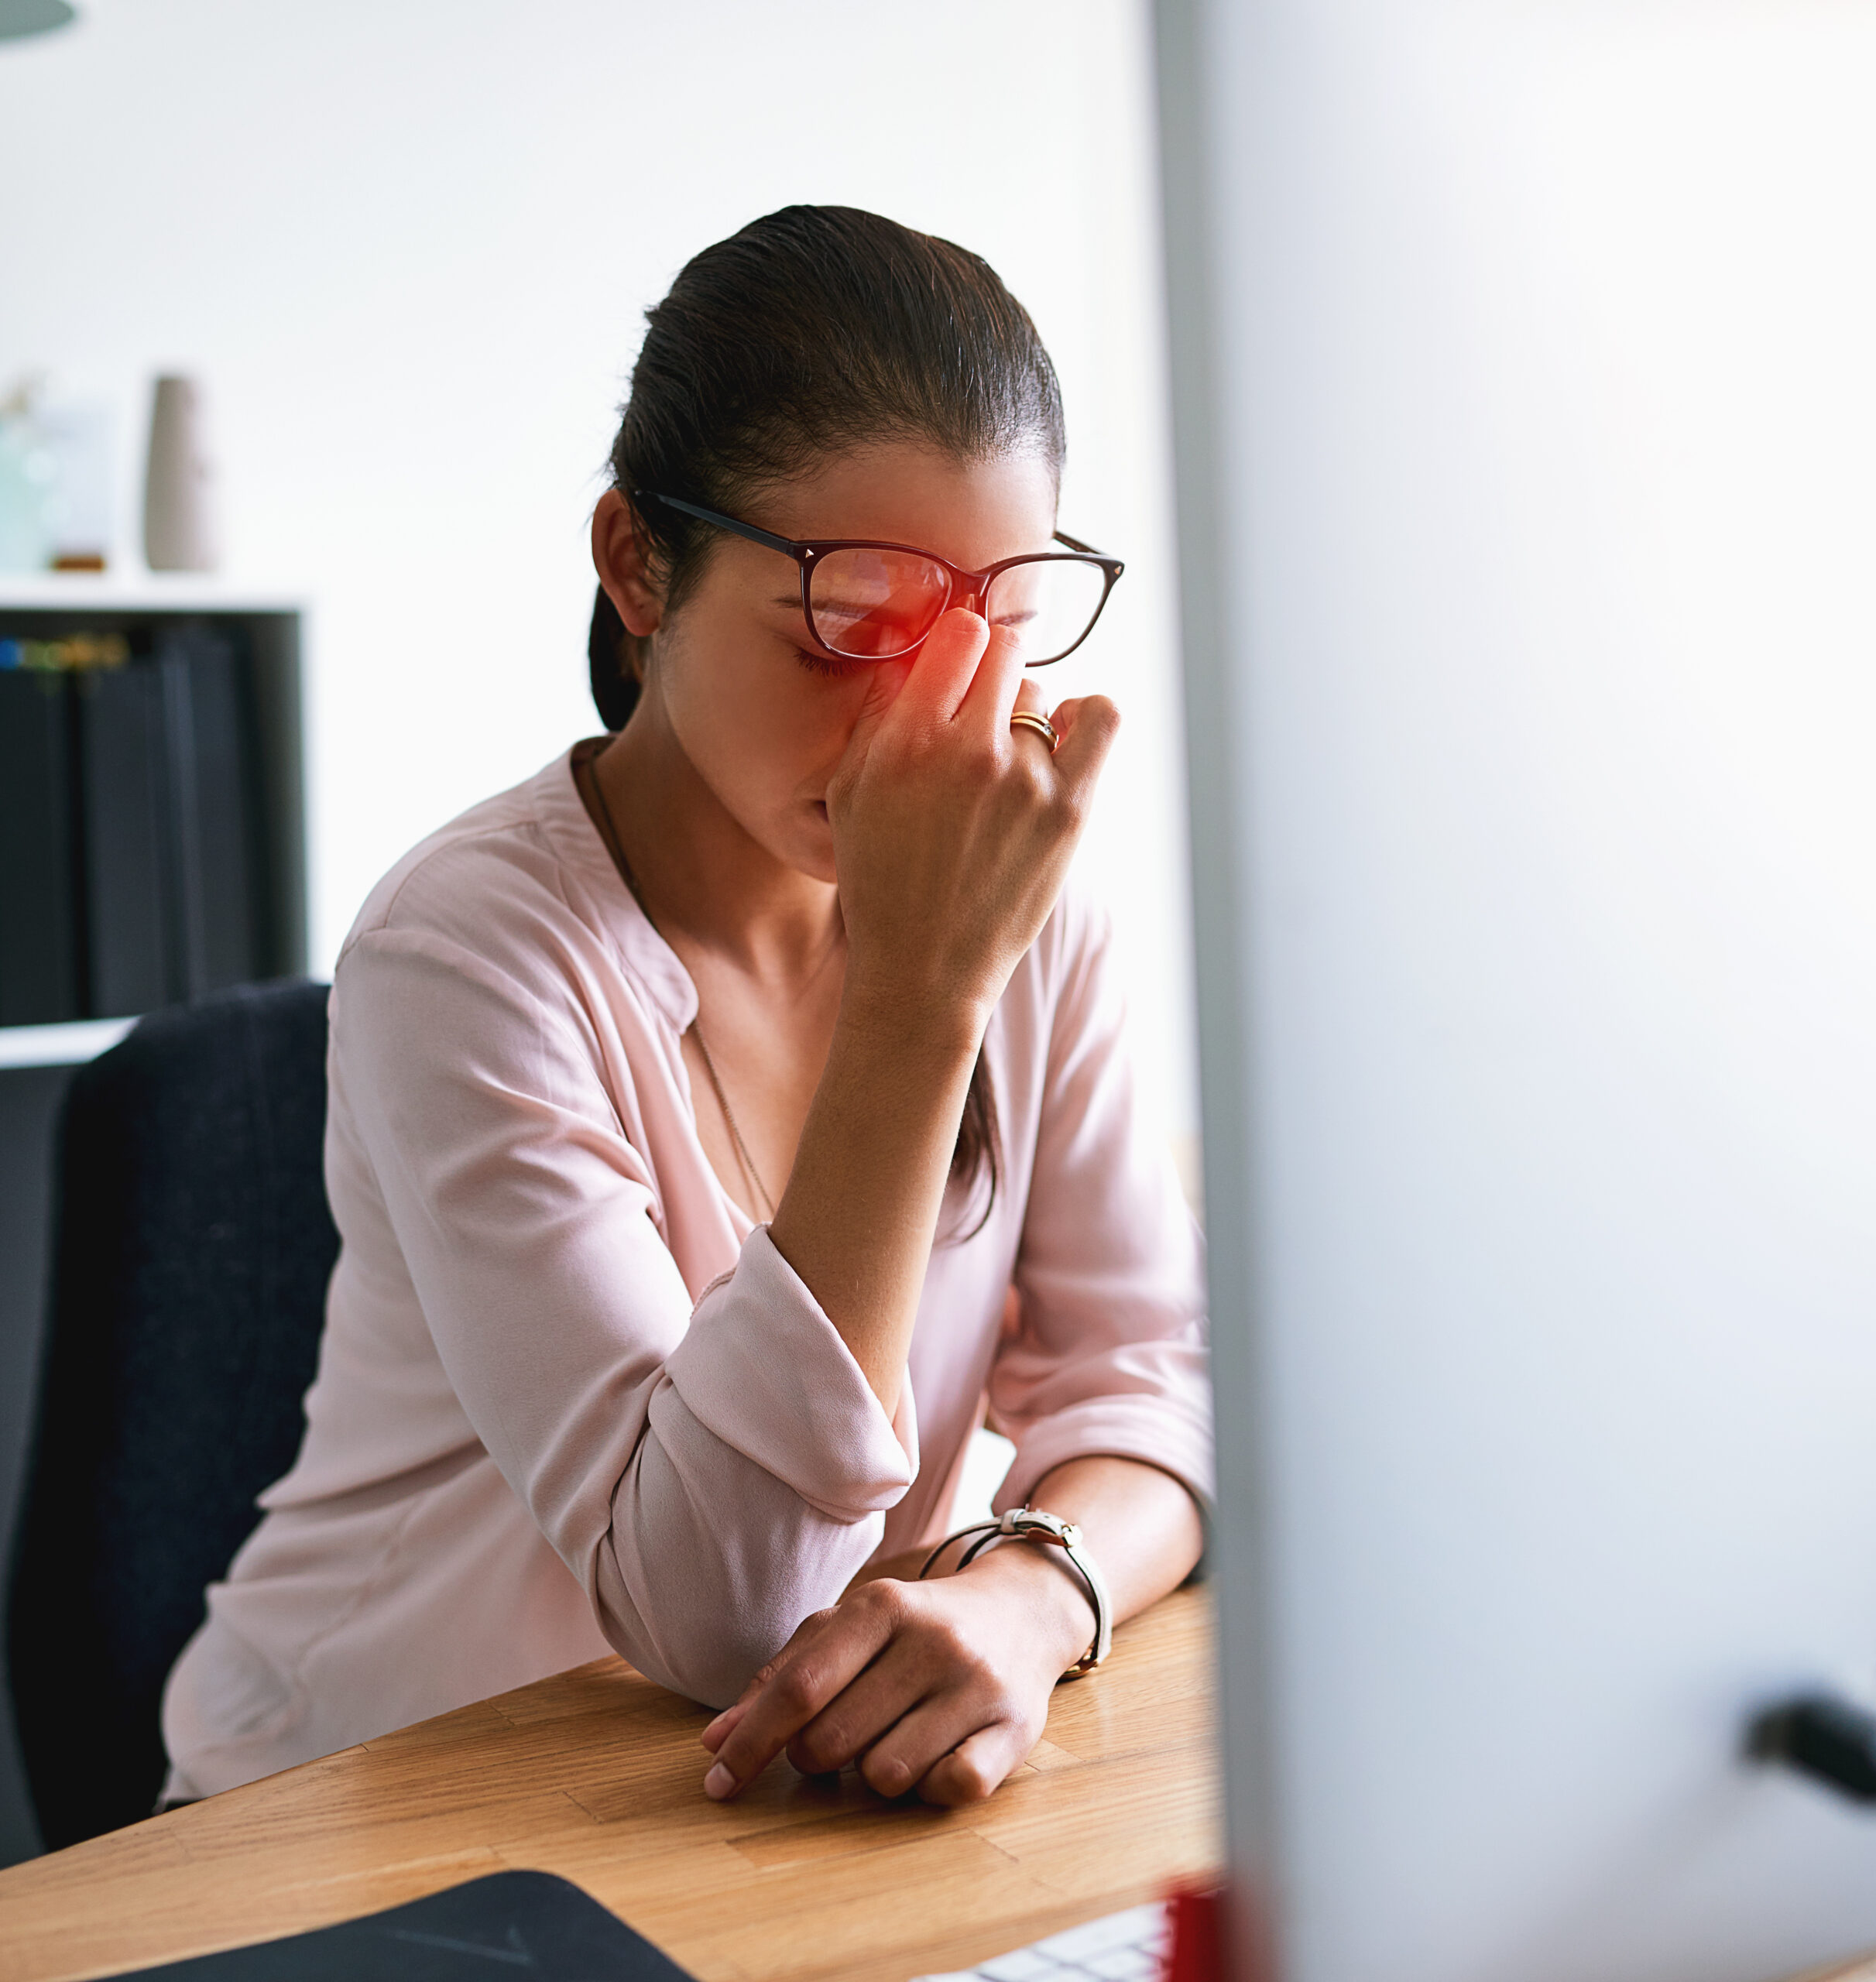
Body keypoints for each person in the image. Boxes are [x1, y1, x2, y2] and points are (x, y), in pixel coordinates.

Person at [162, 206, 1211, 1811]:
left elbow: (1150, 1373)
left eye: (993, 622)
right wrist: (923, 996)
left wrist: (1030, 1591)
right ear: (638, 563)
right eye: (851, 621)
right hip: (361, 1822)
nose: (930, 720)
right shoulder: (464, 952)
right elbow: (722, 1601)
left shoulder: (1029, 908)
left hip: (755, 1817)